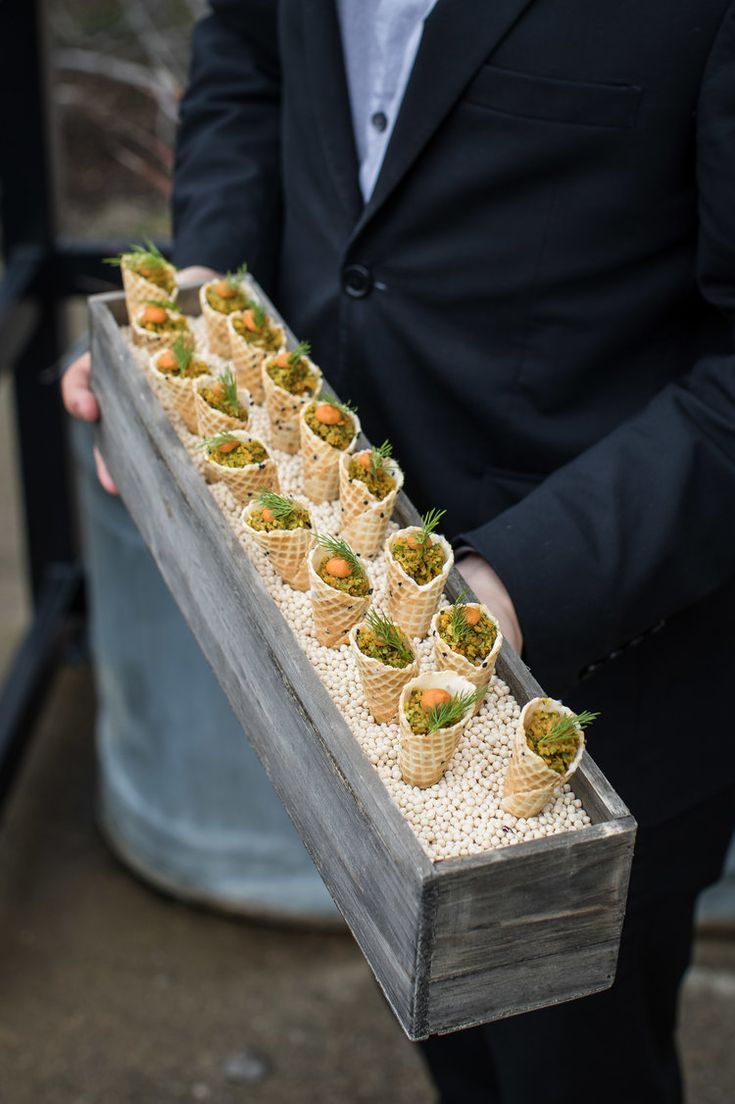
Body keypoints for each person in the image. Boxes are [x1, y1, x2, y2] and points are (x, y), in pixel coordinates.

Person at [63, 1, 735, 1100]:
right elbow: (247, 63)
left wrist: (505, 591)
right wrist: (199, 324)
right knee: (449, 1049)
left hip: (611, 654)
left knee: (575, 1069)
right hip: (328, 628)